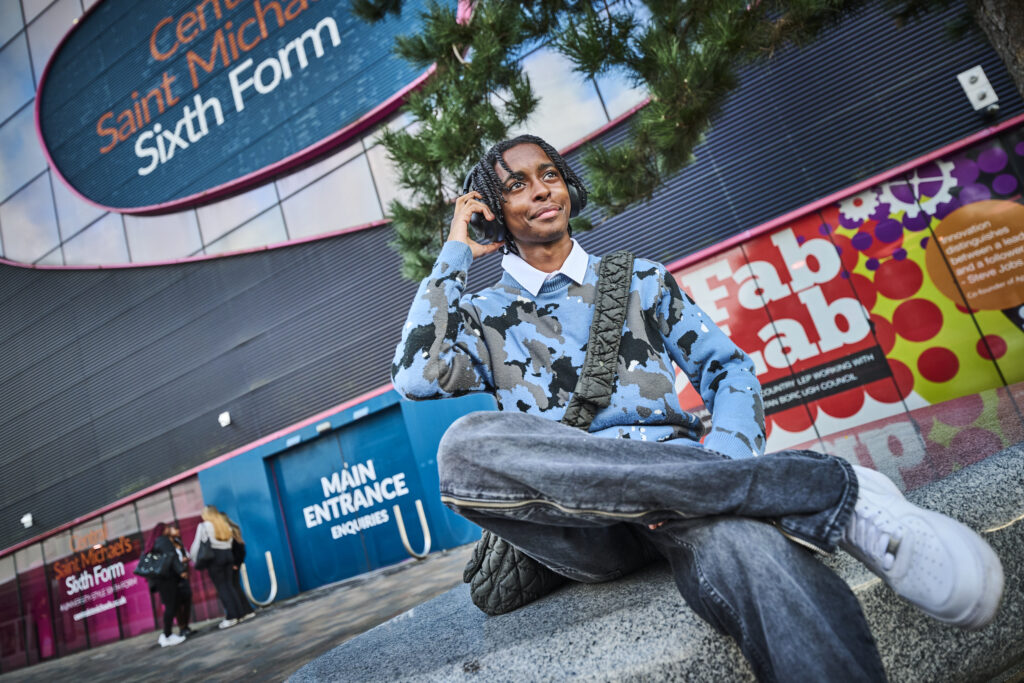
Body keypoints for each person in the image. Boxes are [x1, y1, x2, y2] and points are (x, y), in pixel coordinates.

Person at [390, 134, 1005, 682]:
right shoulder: (482, 312)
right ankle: (821, 488)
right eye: (515, 185)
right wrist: (455, 255)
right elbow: (415, 375)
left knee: (754, 553)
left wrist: (725, 468)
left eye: (549, 173)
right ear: (493, 213)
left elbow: (727, 369)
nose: (541, 191)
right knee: (463, 447)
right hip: (581, 521)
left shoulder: (641, 279)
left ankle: (744, 490)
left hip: (688, 488)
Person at [190, 506, 247, 629]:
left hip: (215, 558)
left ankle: (232, 616)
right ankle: (240, 614)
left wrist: (193, 557)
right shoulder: (224, 524)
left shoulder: (204, 526)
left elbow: (197, 544)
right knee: (230, 585)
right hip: (228, 555)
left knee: (222, 588)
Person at [145, 522, 190, 647]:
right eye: (166, 528)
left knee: (172, 606)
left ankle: (167, 634)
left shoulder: (154, 542)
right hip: (168, 579)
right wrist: (181, 571)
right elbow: (172, 557)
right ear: (163, 530)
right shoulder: (164, 541)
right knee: (171, 607)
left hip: (161, 580)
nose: (169, 530)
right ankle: (166, 635)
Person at [226, 516, 256, 621]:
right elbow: (242, 550)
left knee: (235, 588)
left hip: (233, 565)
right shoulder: (235, 533)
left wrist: (236, 564)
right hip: (235, 565)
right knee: (236, 587)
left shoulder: (230, 535)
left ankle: (245, 611)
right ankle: (247, 610)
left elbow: (239, 551)